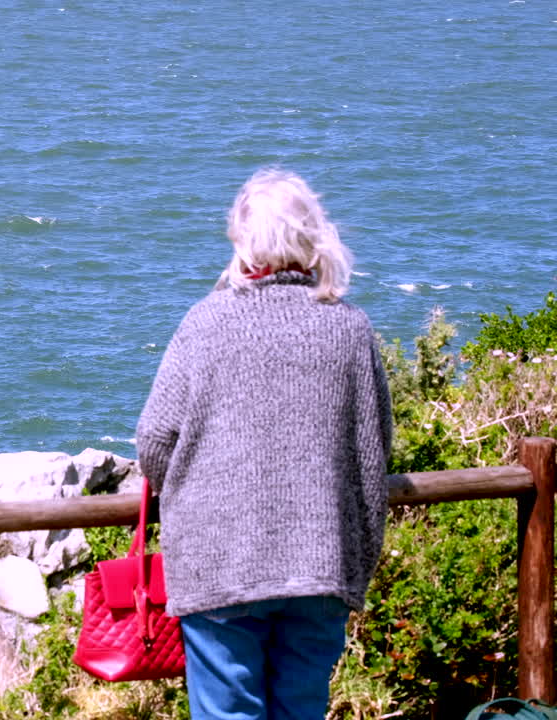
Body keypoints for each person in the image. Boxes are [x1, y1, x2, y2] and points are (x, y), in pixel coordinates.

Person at [135, 167, 393, 719]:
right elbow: (372, 464)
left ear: (244, 241)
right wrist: (357, 566)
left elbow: (155, 440)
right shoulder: (350, 329)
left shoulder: (205, 323)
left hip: (219, 564)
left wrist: (193, 494)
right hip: (320, 566)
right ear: (313, 237)